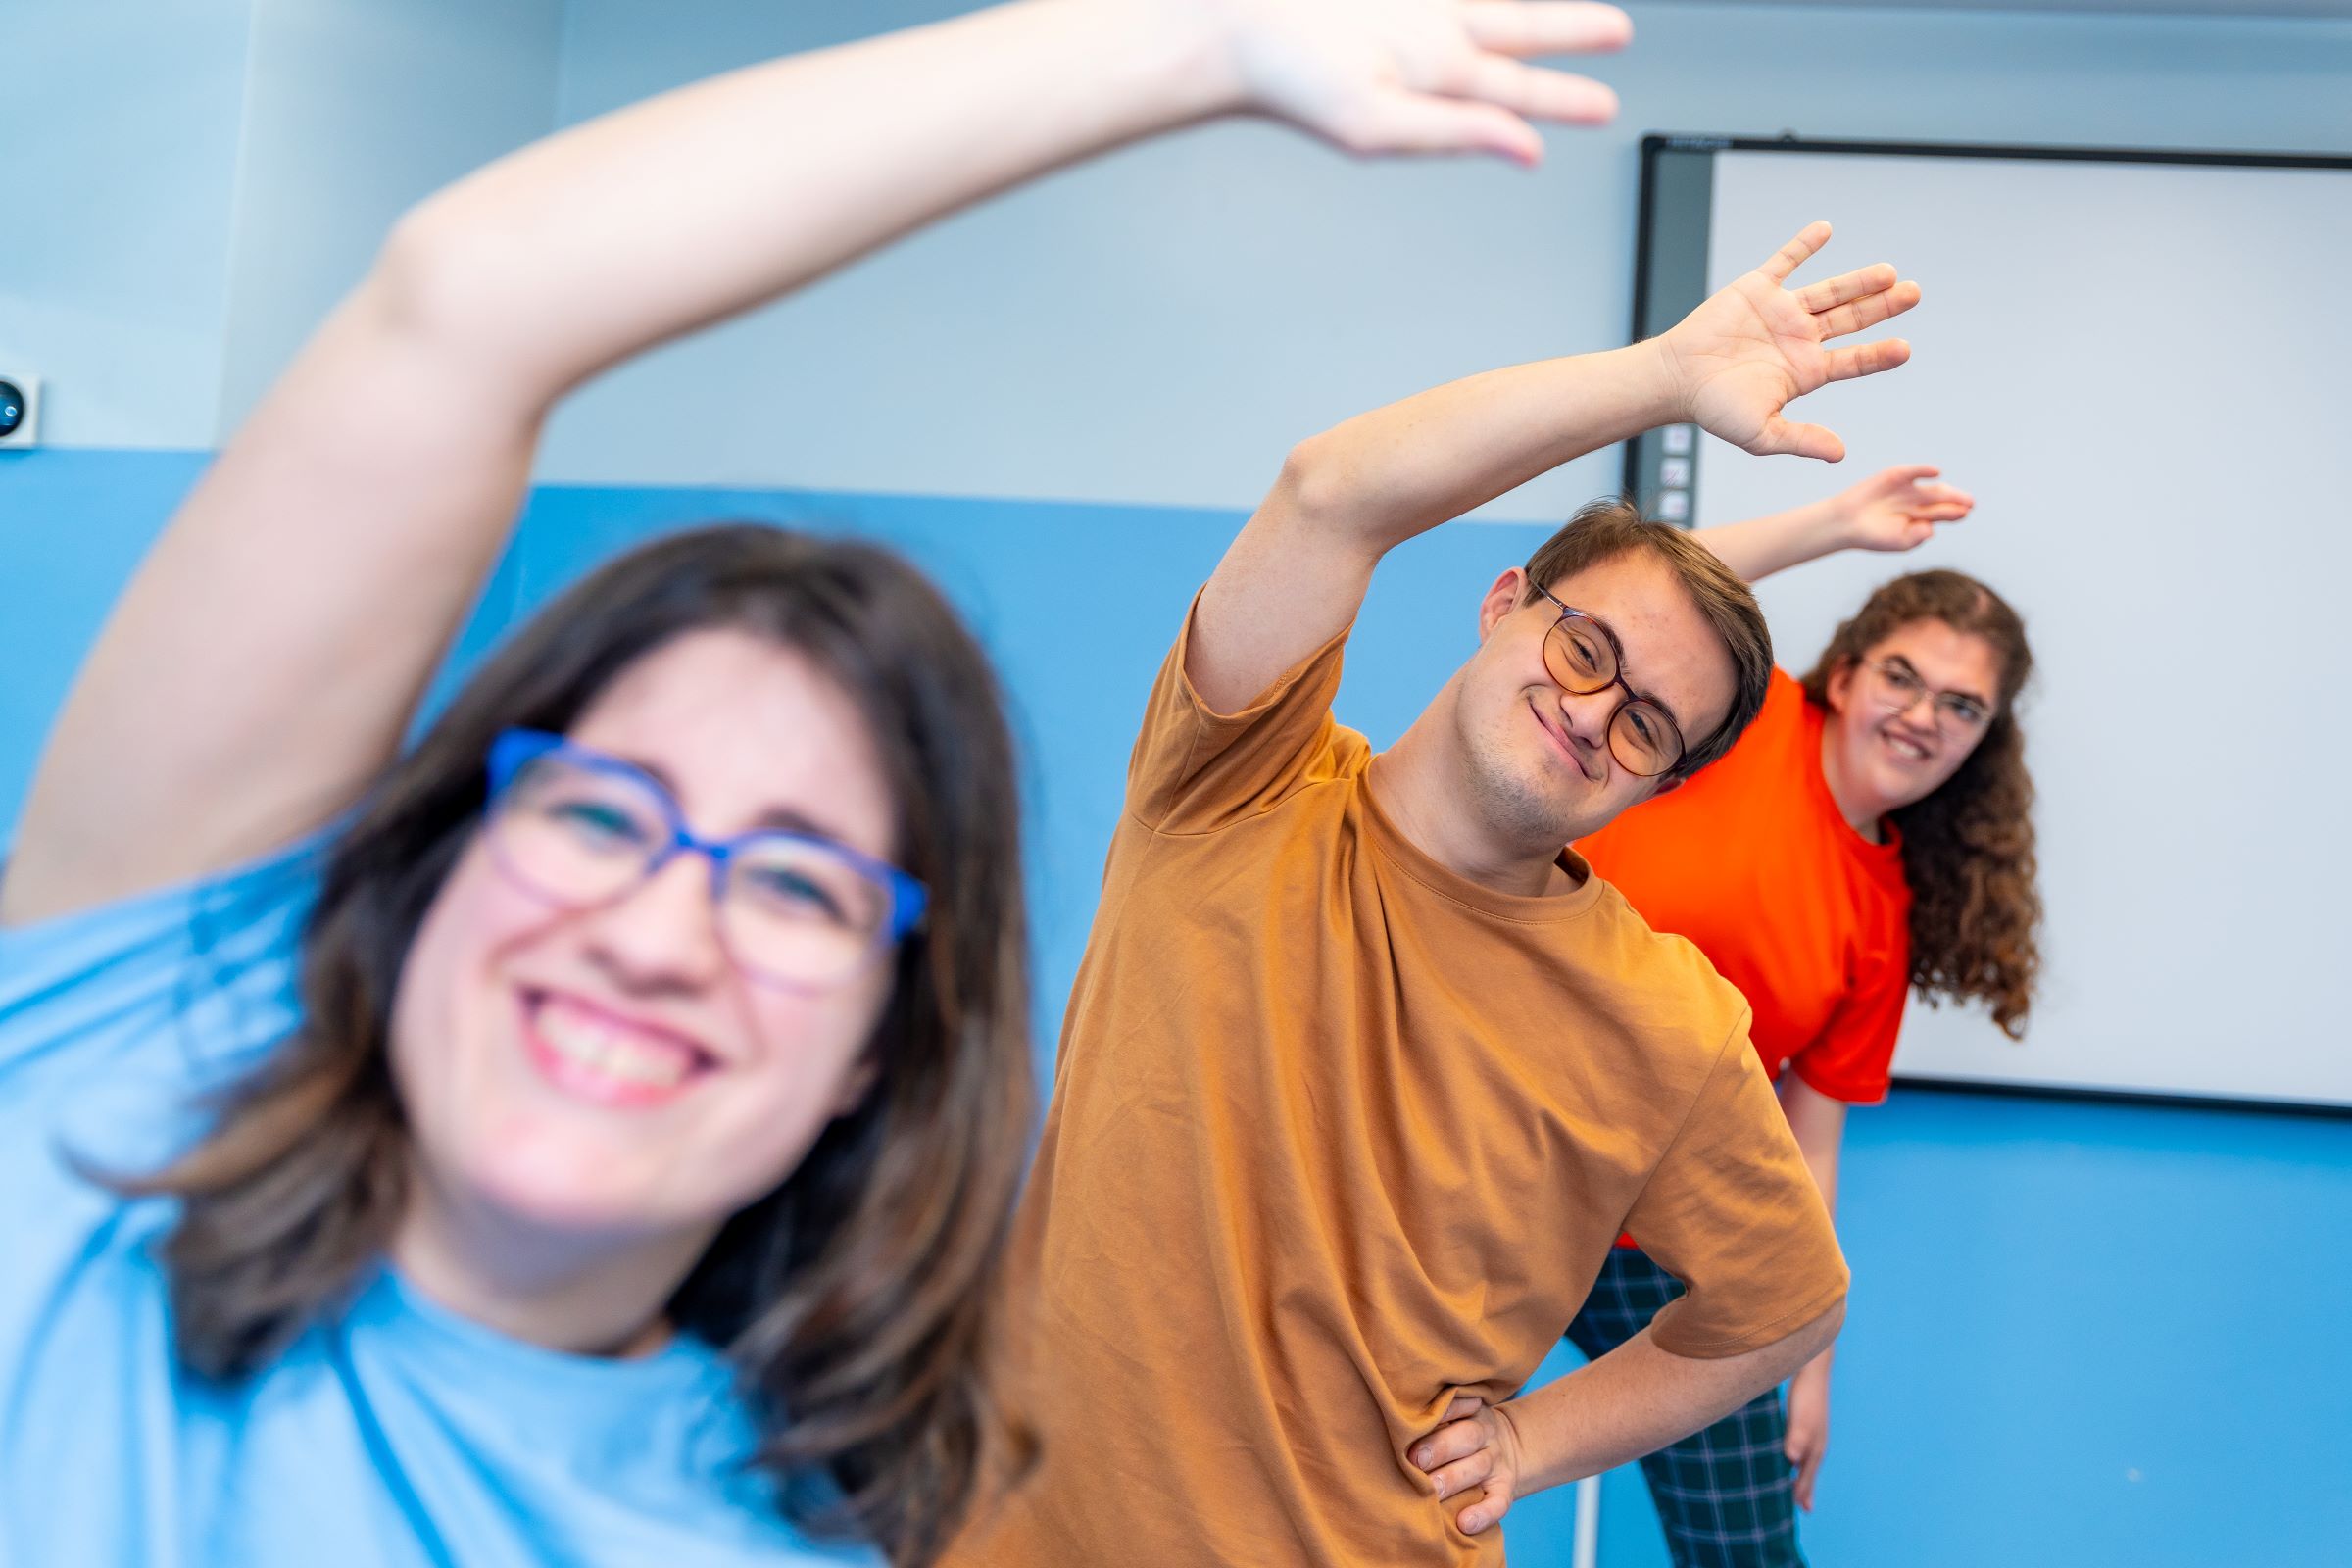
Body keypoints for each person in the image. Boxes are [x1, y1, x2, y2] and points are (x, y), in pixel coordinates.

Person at [0, 3, 1645, 1564]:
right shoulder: (126, 1065)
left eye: (795, 888)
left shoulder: (766, 1535)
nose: (658, 932)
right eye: (596, 814)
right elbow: (465, 299)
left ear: (877, 1045)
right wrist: (1192, 43)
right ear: (440, 863)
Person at [944, 220, 1923, 1567]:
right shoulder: (1233, 780)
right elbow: (1332, 488)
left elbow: (1789, 1306)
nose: (1593, 715)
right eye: (1584, 649)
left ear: (1662, 782)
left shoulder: (1665, 1023)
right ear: (1505, 602)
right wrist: (1662, 375)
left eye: (1647, 725)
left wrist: (1535, 1441)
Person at [1568, 469, 2040, 1568]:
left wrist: (1805, 1358)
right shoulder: (1749, 715)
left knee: (1753, 1548)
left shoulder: (1884, 913)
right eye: (1902, 677)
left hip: (1652, 1237)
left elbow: (1805, 1139)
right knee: (1366, 1473)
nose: (1922, 716)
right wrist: (1835, 525)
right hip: (1486, 1170)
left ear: (1984, 739)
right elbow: (1642, 594)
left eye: (1960, 705)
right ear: (1845, 671)